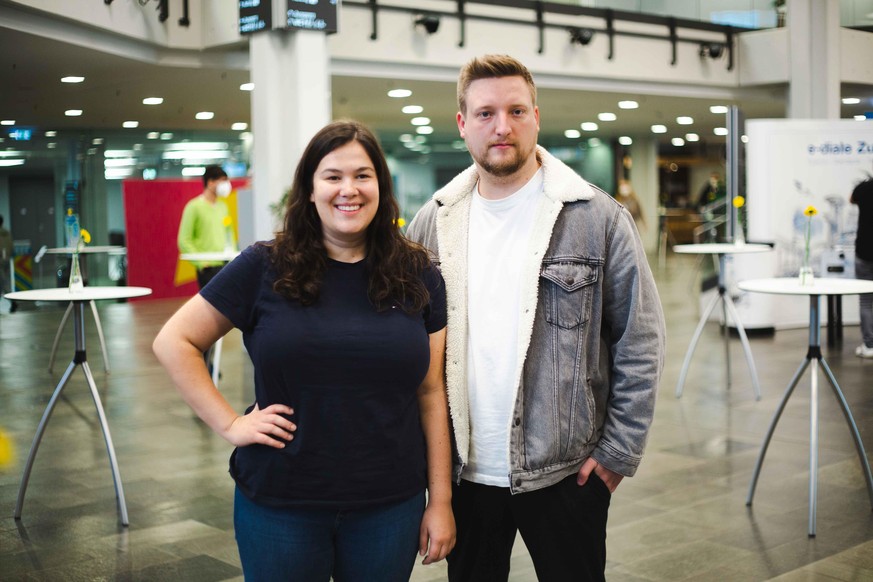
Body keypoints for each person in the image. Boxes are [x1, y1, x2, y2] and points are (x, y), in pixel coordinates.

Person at [153, 120, 455, 581]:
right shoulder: (264, 265)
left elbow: (431, 391)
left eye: (362, 175)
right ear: (310, 189)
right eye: (332, 176)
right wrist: (231, 423)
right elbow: (174, 340)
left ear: (381, 186)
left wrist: (441, 501)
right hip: (281, 503)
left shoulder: (418, 273)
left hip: (389, 505)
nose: (347, 190)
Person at [407, 54, 666, 582]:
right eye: (484, 114)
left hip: (566, 472)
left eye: (516, 111)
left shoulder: (595, 217)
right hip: (465, 473)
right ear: (462, 124)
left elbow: (640, 339)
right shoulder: (433, 221)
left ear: (536, 117)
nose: (501, 126)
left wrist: (618, 452)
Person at [178, 164, 236, 289]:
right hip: (208, 267)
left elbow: (228, 232)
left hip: (225, 264)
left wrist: (232, 257)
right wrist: (201, 263)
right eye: (222, 181)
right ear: (210, 183)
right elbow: (184, 239)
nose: (226, 185)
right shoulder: (193, 207)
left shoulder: (223, 207)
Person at [851, 176, 873, 358]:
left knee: (866, 301)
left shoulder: (864, 188)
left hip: (864, 251)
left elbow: (851, 199)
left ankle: (869, 345)